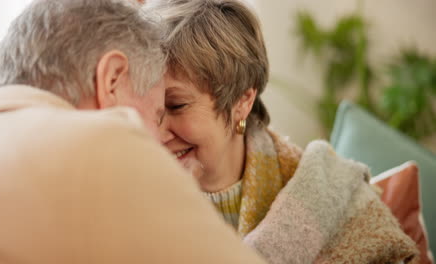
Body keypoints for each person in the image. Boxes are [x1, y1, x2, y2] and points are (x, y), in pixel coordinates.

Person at [0, 0, 269, 263]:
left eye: (174, 107)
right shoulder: (102, 147)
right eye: (156, 112)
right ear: (111, 80)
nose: (157, 135)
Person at [147, 0, 420, 262]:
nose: (155, 133)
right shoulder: (129, 191)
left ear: (242, 101)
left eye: (176, 105)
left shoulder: (323, 192)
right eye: (147, 106)